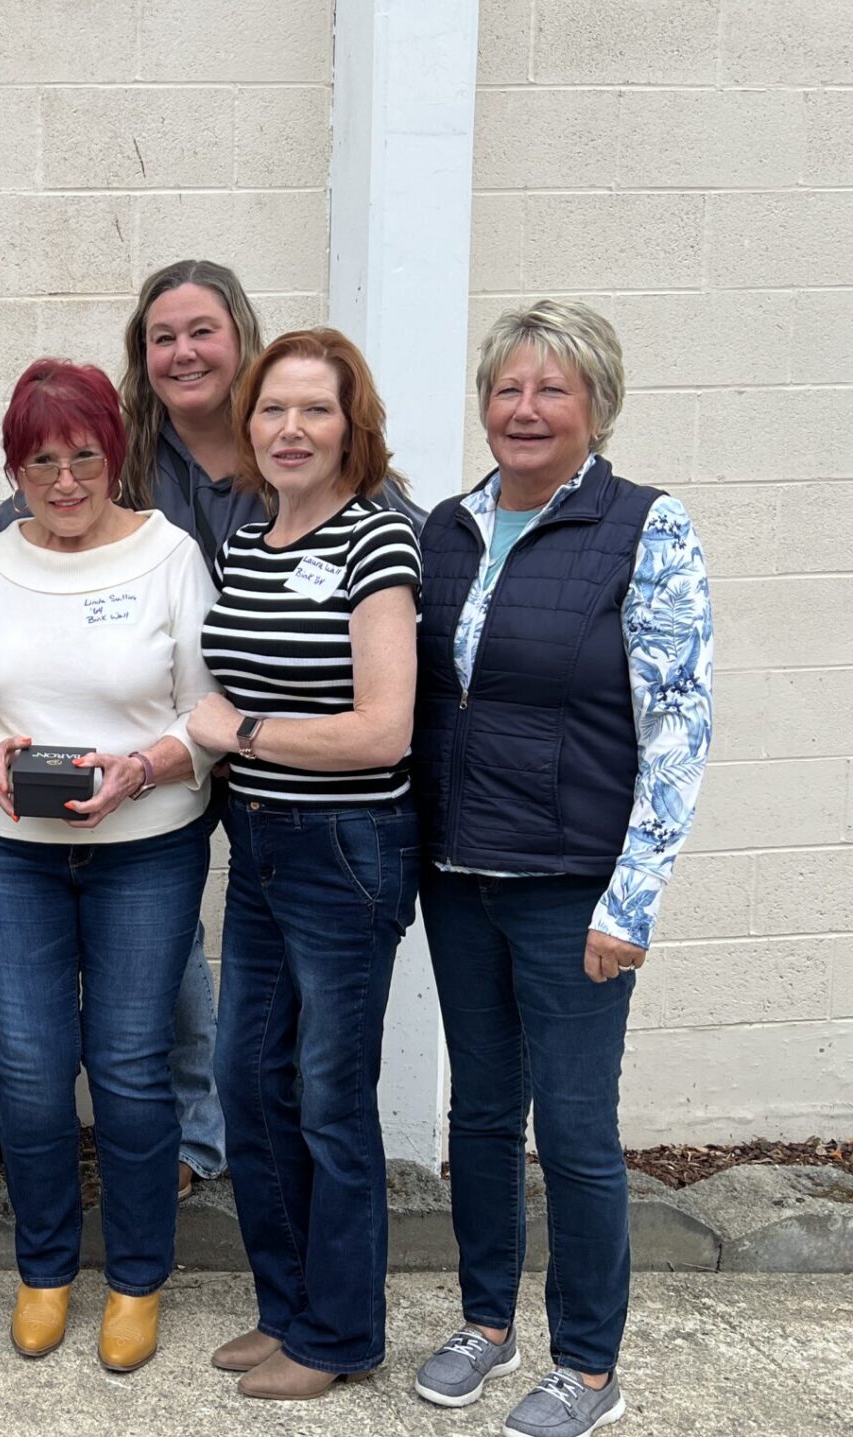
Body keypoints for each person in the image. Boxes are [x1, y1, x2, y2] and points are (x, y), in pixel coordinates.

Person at [408, 299, 712, 1437]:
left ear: (595, 406)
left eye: (550, 390)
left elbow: (678, 722)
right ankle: (487, 1323)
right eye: (506, 388)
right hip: (457, 875)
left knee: (574, 1128)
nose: (523, 409)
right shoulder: (444, 527)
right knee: (479, 1114)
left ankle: (587, 1362)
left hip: (573, 886)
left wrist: (630, 898)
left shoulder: (645, 528)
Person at [0, 359, 221, 1374]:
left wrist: (141, 768)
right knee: (26, 1071)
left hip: (144, 850)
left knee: (128, 1069)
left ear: (114, 454)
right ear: (15, 466)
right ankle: (44, 1269)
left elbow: (208, 713)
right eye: (39, 461)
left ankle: (139, 1277)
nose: (62, 481)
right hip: (13, 853)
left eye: (82, 457)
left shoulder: (168, 557)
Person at [0, 259, 270, 1202]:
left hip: (274, 752)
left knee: (261, 968)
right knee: (169, 962)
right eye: (163, 337)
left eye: (202, 330)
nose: (183, 351)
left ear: (241, 336)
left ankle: (255, 1138)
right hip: (155, 768)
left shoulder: (288, 445)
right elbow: (32, 525)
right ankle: (192, 1140)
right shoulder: (127, 455)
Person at [188, 329, 422, 1400]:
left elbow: (381, 732)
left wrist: (235, 733)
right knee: (247, 1079)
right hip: (264, 843)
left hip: (345, 850)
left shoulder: (378, 545)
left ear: (350, 427)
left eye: (313, 411)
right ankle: (285, 1309)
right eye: (272, 410)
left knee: (330, 1098)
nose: (289, 429)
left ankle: (340, 1335)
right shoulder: (247, 534)